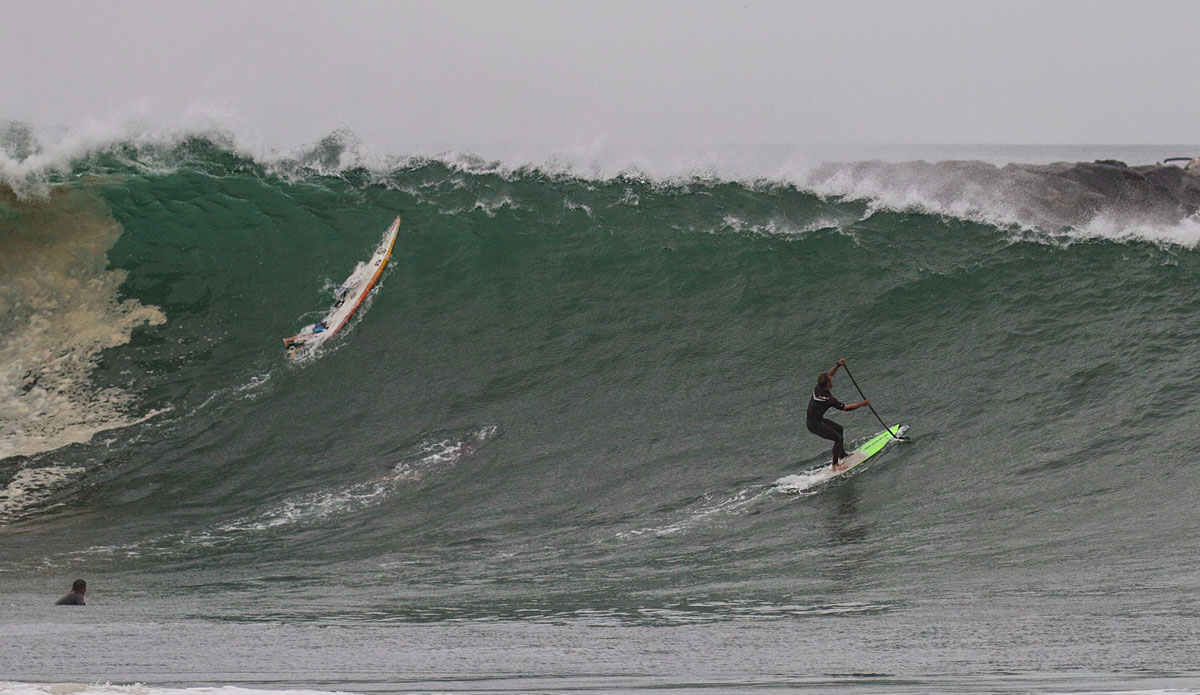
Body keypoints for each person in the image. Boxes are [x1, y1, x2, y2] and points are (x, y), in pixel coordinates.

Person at [807, 359, 870, 470]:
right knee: (838, 439)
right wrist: (862, 404)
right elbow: (846, 408)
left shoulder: (818, 387)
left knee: (839, 429)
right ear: (827, 386)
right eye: (830, 381)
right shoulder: (829, 400)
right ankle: (835, 465)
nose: (832, 381)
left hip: (816, 420)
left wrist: (837, 365)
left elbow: (829, 374)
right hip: (814, 425)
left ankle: (842, 455)